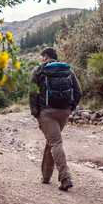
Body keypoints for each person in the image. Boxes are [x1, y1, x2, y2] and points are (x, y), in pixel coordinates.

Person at [29, 47, 82, 191]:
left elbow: (32, 93)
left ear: (45, 56)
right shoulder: (67, 70)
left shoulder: (38, 70)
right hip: (64, 112)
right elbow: (78, 92)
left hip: (47, 112)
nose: (41, 59)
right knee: (52, 141)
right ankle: (46, 176)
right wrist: (71, 107)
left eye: (42, 57)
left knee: (55, 142)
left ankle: (65, 177)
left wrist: (36, 112)